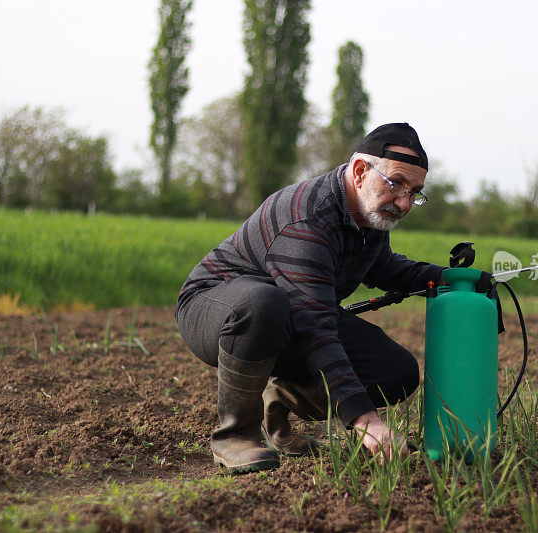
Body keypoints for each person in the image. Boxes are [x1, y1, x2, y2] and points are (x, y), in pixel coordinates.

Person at [175, 123, 446, 473]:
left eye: (415, 191)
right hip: (216, 308)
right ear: (361, 171)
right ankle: (236, 436)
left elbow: (382, 266)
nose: (404, 201)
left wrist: (441, 276)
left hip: (287, 317)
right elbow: (315, 325)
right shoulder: (308, 217)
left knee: (397, 371)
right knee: (265, 303)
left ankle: (283, 395)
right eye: (396, 183)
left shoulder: (368, 214)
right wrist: (367, 421)